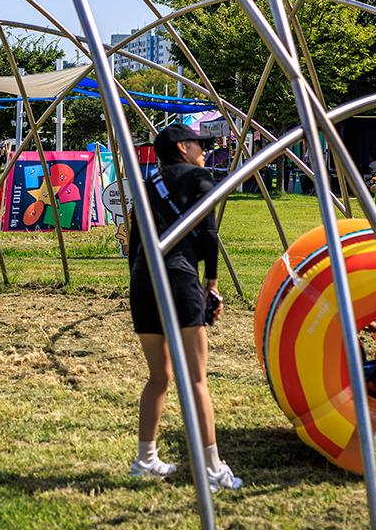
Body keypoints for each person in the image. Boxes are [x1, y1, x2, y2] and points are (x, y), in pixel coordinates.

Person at [126, 124, 242, 491]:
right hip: (178, 277)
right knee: (195, 379)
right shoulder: (197, 176)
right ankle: (211, 469)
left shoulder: (147, 186)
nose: (204, 150)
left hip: (144, 279)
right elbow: (208, 231)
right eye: (198, 144)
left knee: (159, 376)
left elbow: (133, 242)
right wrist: (211, 283)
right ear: (181, 147)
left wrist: (139, 279)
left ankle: (146, 459)